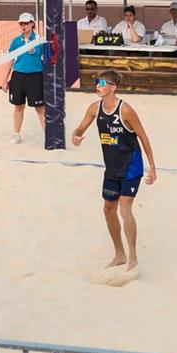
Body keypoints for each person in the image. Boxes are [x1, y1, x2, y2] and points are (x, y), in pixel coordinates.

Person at [71, 69, 157, 274]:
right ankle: (120, 254)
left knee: (125, 209)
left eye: (102, 83)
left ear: (113, 87)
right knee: (108, 210)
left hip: (131, 165)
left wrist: (152, 167)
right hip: (111, 168)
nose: (97, 86)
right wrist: (76, 136)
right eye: (97, 82)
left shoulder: (125, 110)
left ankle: (133, 258)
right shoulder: (94, 108)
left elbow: (144, 137)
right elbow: (79, 129)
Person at [2, 12, 46, 143]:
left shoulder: (39, 40)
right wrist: (4, 79)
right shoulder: (16, 41)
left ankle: (48, 136)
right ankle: (16, 134)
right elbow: (10, 60)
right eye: (21, 23)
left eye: (26, 23)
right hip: (18, 76)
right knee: (18, 107)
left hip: (36, 77)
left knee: (40, 108)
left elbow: (48, 60)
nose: (23, 26)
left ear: (32, 24)